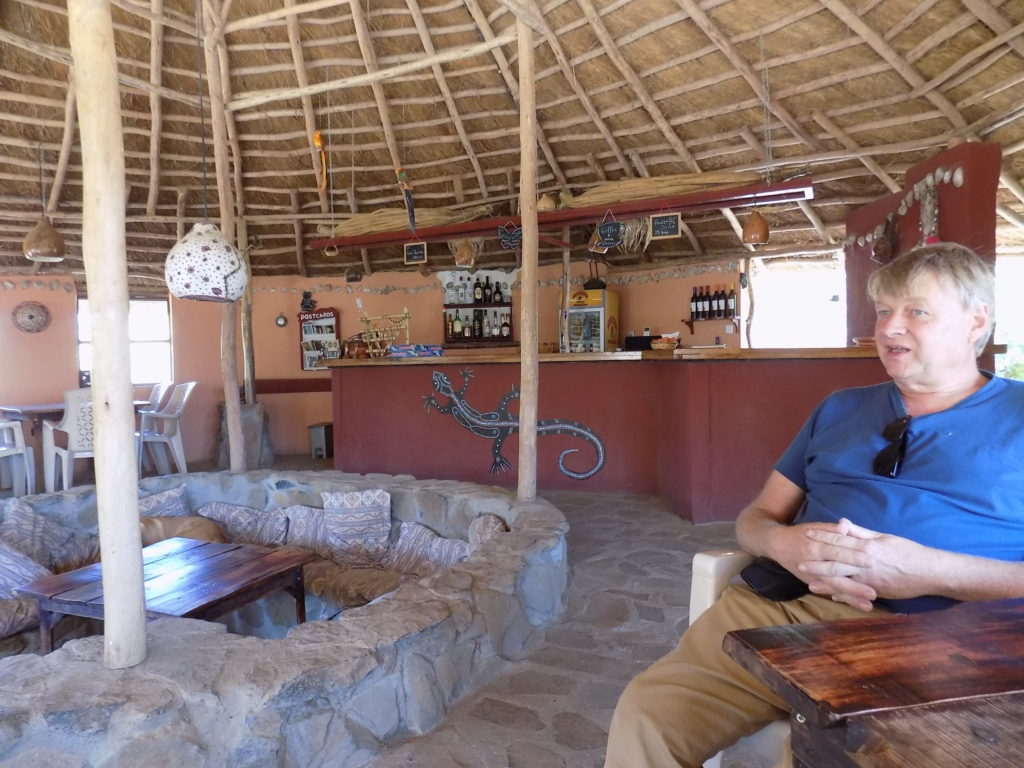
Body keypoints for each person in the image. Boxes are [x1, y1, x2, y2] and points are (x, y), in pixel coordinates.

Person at [604, 242, 1024, 768]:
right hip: (779, 612)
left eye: (916, 311)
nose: (891, 329)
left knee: (836, 758)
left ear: (976, 320)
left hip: (938, 639)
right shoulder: (841, 407)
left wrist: (931, 571)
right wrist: (784, 543)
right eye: (884, 311)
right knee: (648, 716)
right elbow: (754, 520)